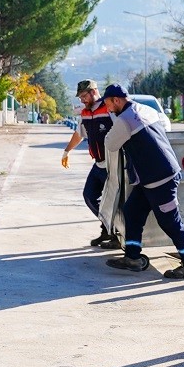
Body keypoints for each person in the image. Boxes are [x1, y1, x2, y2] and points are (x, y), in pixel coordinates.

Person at [99, 83, 184, 279]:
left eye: (108, 103)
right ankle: (133, 257)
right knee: (132, 211)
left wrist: (114, 121)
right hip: (151, 178)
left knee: (170, 221)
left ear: (117, 100)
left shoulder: (124, 120)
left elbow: (110, 143)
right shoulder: (146, 109)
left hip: (161, 178)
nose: (107, 108)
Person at [61, 79, 120, 248]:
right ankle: (108, 228)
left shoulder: (109, 109)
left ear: (93, 92)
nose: (82, 100)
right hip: (99, 164)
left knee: (115, 201)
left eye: (83, 96)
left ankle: (117, 234)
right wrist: (67, 151)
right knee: (90, 196)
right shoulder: (85, 113)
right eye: (80, 97)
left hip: (113, 165)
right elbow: (79, 134)